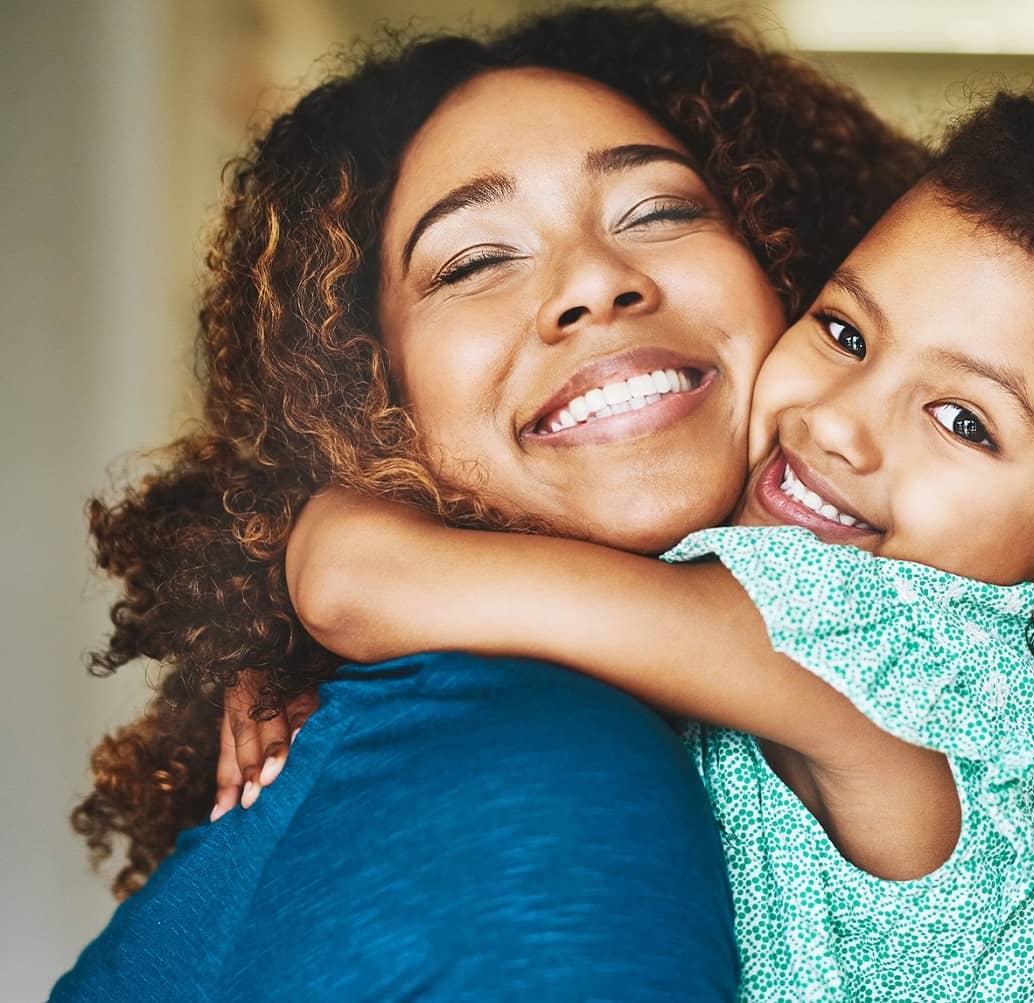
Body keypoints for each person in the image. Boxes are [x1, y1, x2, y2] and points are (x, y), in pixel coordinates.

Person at [249, 94, 1034, 1001]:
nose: (837, 422)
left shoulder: (910, 669)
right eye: (845, 332)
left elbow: (354, 582)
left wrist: (335, 508)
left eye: (963, 421)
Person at [54, 6, 923, 999]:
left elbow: (350, 576)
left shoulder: (901, 671)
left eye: (662, 211)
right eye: (473, 261)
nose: (595, 281)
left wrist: (330, 537)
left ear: (794, 277)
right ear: (367, 398)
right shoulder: (548, 766)